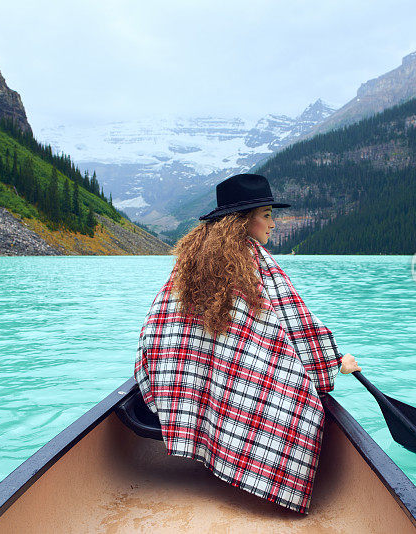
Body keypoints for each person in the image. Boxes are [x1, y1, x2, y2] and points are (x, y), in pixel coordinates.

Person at [134, 173, 361, 514]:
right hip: (231, 376)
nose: (273, 223)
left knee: (229, 372)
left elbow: (157, 325)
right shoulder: (255, 260)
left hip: (185, 381)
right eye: (267, 214)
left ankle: (210, 448)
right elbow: (294, 321)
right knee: (299, 407)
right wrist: (333, 360)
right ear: (243, 220)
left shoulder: (193, 259)